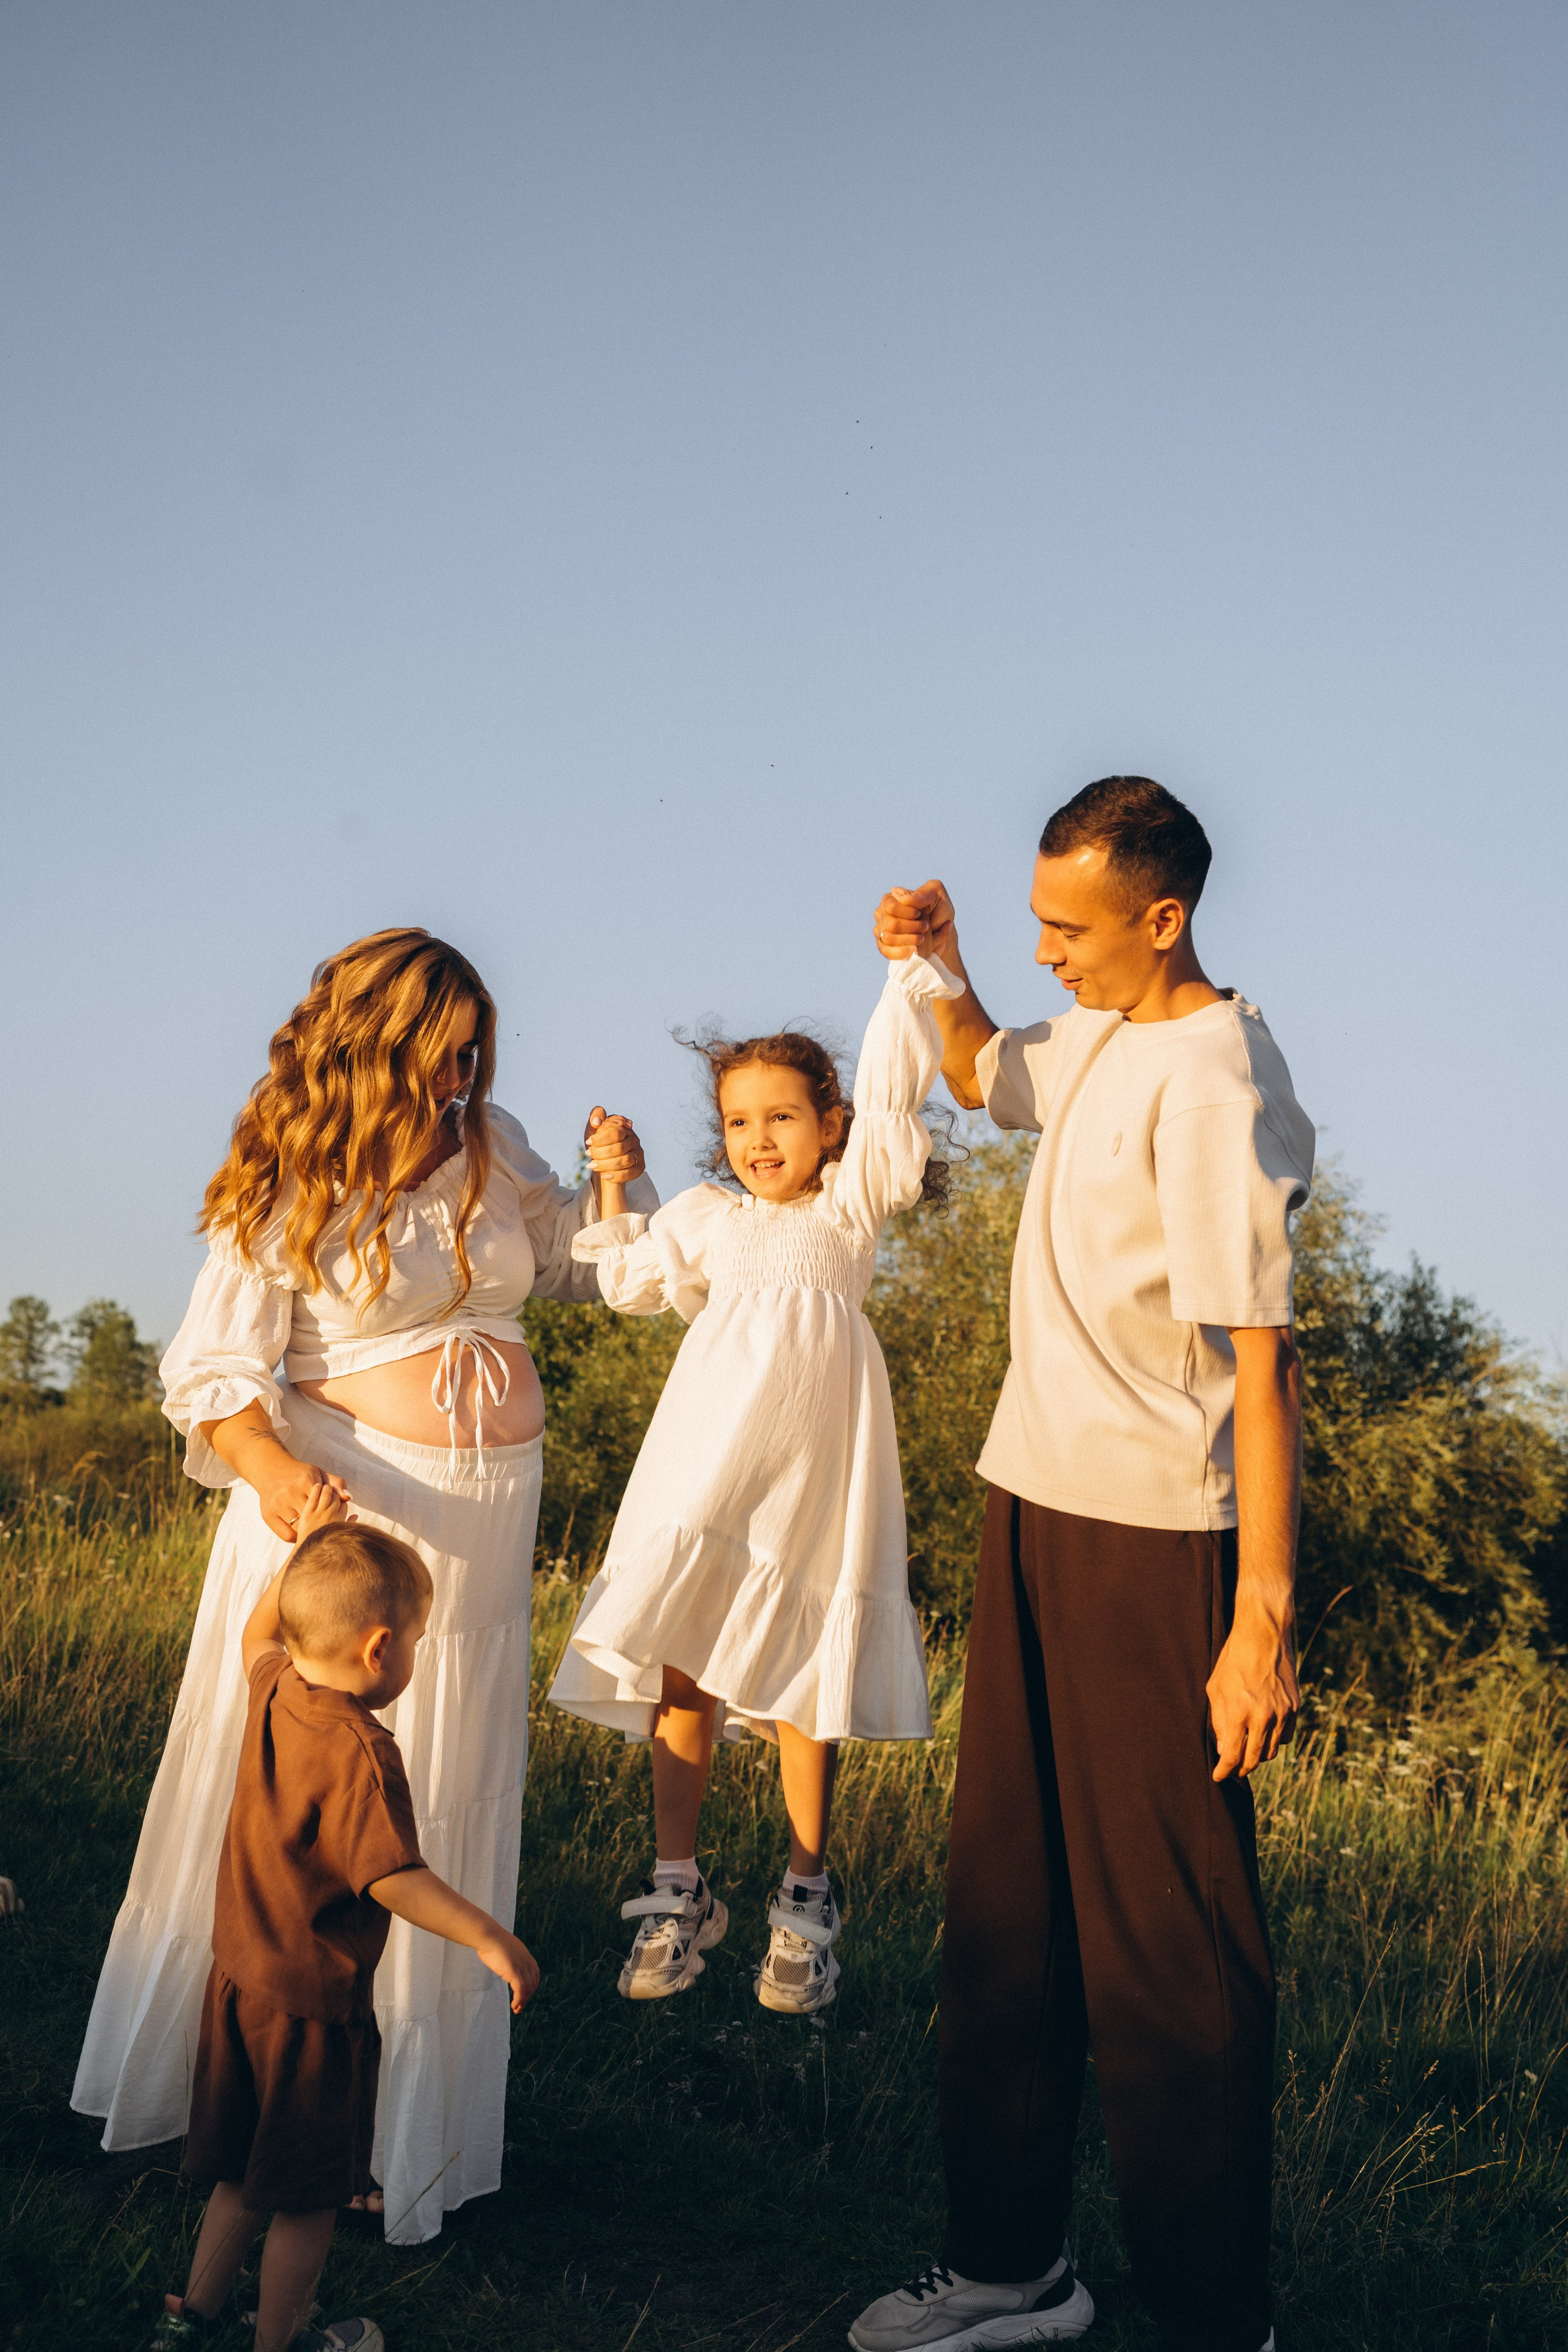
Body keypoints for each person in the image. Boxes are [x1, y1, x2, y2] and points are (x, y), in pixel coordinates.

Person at [74, 927, 654, 2245]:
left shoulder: (492, 1140)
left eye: (472, 1052)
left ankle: (399, 2133)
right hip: (350, 1512)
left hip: (484, 1528)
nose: (458, 1076)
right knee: (323, 1795)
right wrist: (272, 1470)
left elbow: (574, 1269)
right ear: (369, 1044)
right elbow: (214, 1372)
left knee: (440, 1791)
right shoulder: (294, 1166)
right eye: (438, 1052)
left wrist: (614, 1186)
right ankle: (248, 2106)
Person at [850, 778, 1314, 2352]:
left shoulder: (1214, 1082)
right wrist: (938, 963)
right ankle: (1010, 2268)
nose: (1048, 951)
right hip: (1031, 1502)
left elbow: (1263, 1366)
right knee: (1006, 1910)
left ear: (1160, 918)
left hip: (1157, 1546)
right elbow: (981, 1070)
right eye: (1035, 921)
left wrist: (1257, 1620)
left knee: (1168, 1950)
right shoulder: (1102, 1030)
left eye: (1070, 927)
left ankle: (1213, 2319)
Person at [548, 951, 962, 2013]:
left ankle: (805, 1895)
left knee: (801, 1680)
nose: (760, 1139)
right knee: (683, 1666)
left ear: (831, 1126)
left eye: (783, 1117)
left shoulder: (850, 1209)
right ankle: (677, 1886)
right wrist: (614, 1175)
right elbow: (627, 1277)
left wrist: (907, 974)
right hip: (706, 1461)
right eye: (740, 1122)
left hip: (812, 1473)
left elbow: (893, 1089)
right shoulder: (706, 1218)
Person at [154, 1490, 539, 2352]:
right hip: (313, 2010)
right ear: (380, 1647)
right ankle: (281, 2341)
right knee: (309, 2197)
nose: (415, 1657)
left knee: (241, 2172)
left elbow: (257, 1634)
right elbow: (392, 1877)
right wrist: (489, 1936)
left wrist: (306, 1550)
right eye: (418, 1642)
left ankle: (190, 2317)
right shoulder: (364, 1749)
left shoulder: (275, 1688)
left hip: (239, 1982)